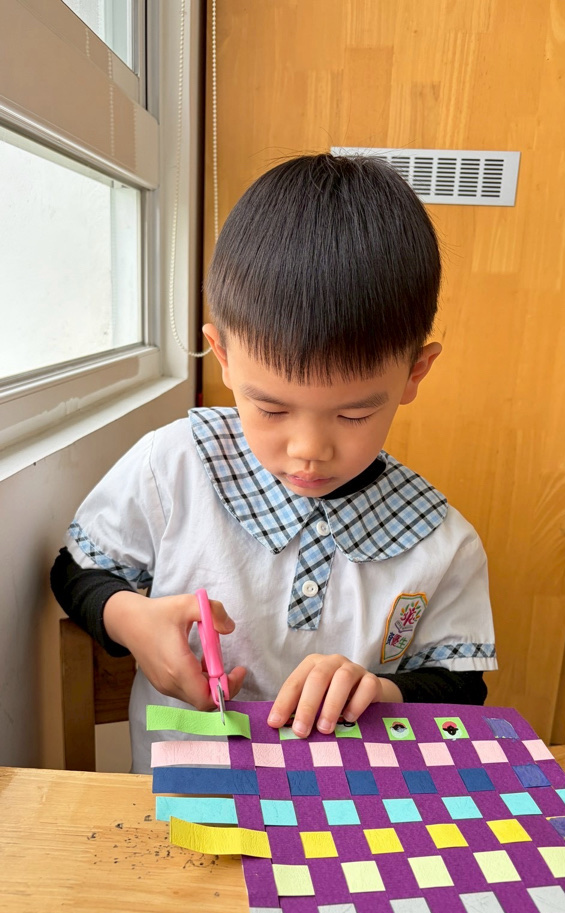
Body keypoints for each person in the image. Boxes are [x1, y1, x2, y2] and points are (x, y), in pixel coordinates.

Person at [51, 154, 497, 773]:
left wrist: (381, 690)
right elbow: (77, 570)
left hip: (353, 806)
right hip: (185, 796)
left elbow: (461, 688)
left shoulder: (442, 543)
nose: (308, 449)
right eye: (271, 409)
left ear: (414, 373)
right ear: (222, 356)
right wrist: (130, 619)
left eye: (353, 414)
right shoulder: (176, 466)